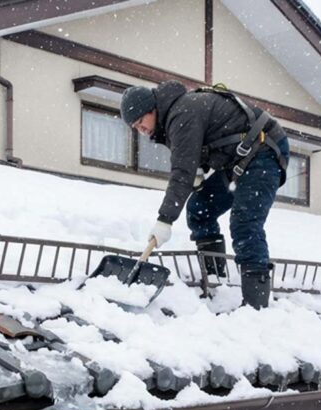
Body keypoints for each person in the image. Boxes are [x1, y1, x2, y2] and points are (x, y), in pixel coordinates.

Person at [120, 80, 290, 309]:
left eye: (141, 122)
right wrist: (199, 168)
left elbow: (181, 174)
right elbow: (192, 157)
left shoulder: (182, 114)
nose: (141, 130)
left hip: (264, 150)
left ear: (153, 109)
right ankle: (215, 280)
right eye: (135, 127)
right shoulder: (172, 118)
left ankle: (255, 306)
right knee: (200, 209)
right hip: (238, 160)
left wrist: (165, 220)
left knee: (245, 223)